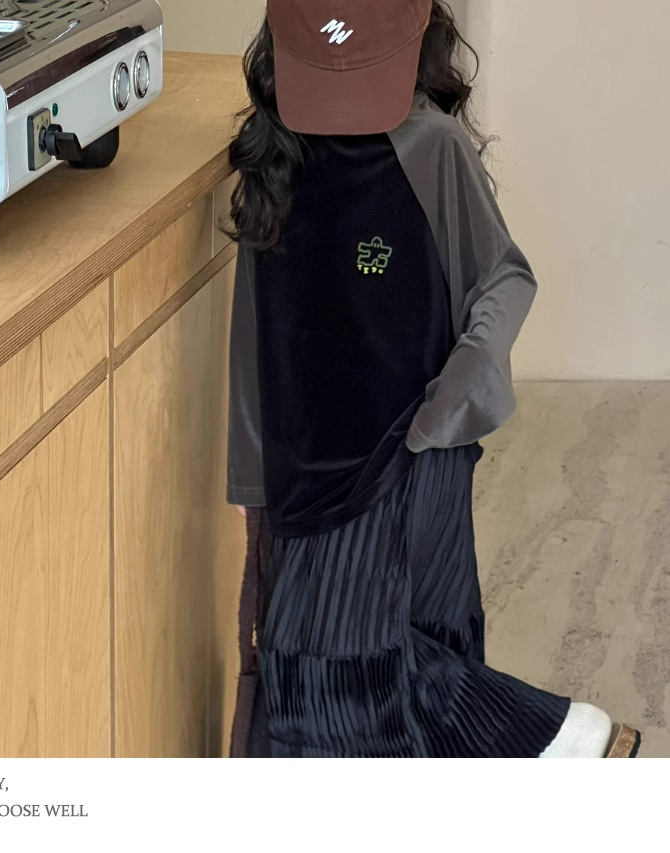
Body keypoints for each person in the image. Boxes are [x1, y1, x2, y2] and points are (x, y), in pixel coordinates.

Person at [223, 0, 640, 758]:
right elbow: (256, 337)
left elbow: (503, 279)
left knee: (343, 682)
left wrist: (445, 412)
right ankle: (566, 744)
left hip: (409, 454)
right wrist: (253, 485)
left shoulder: (433, 147)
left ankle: (561, 741)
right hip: (304, 476)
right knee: (339, 678)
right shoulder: (271, 155)